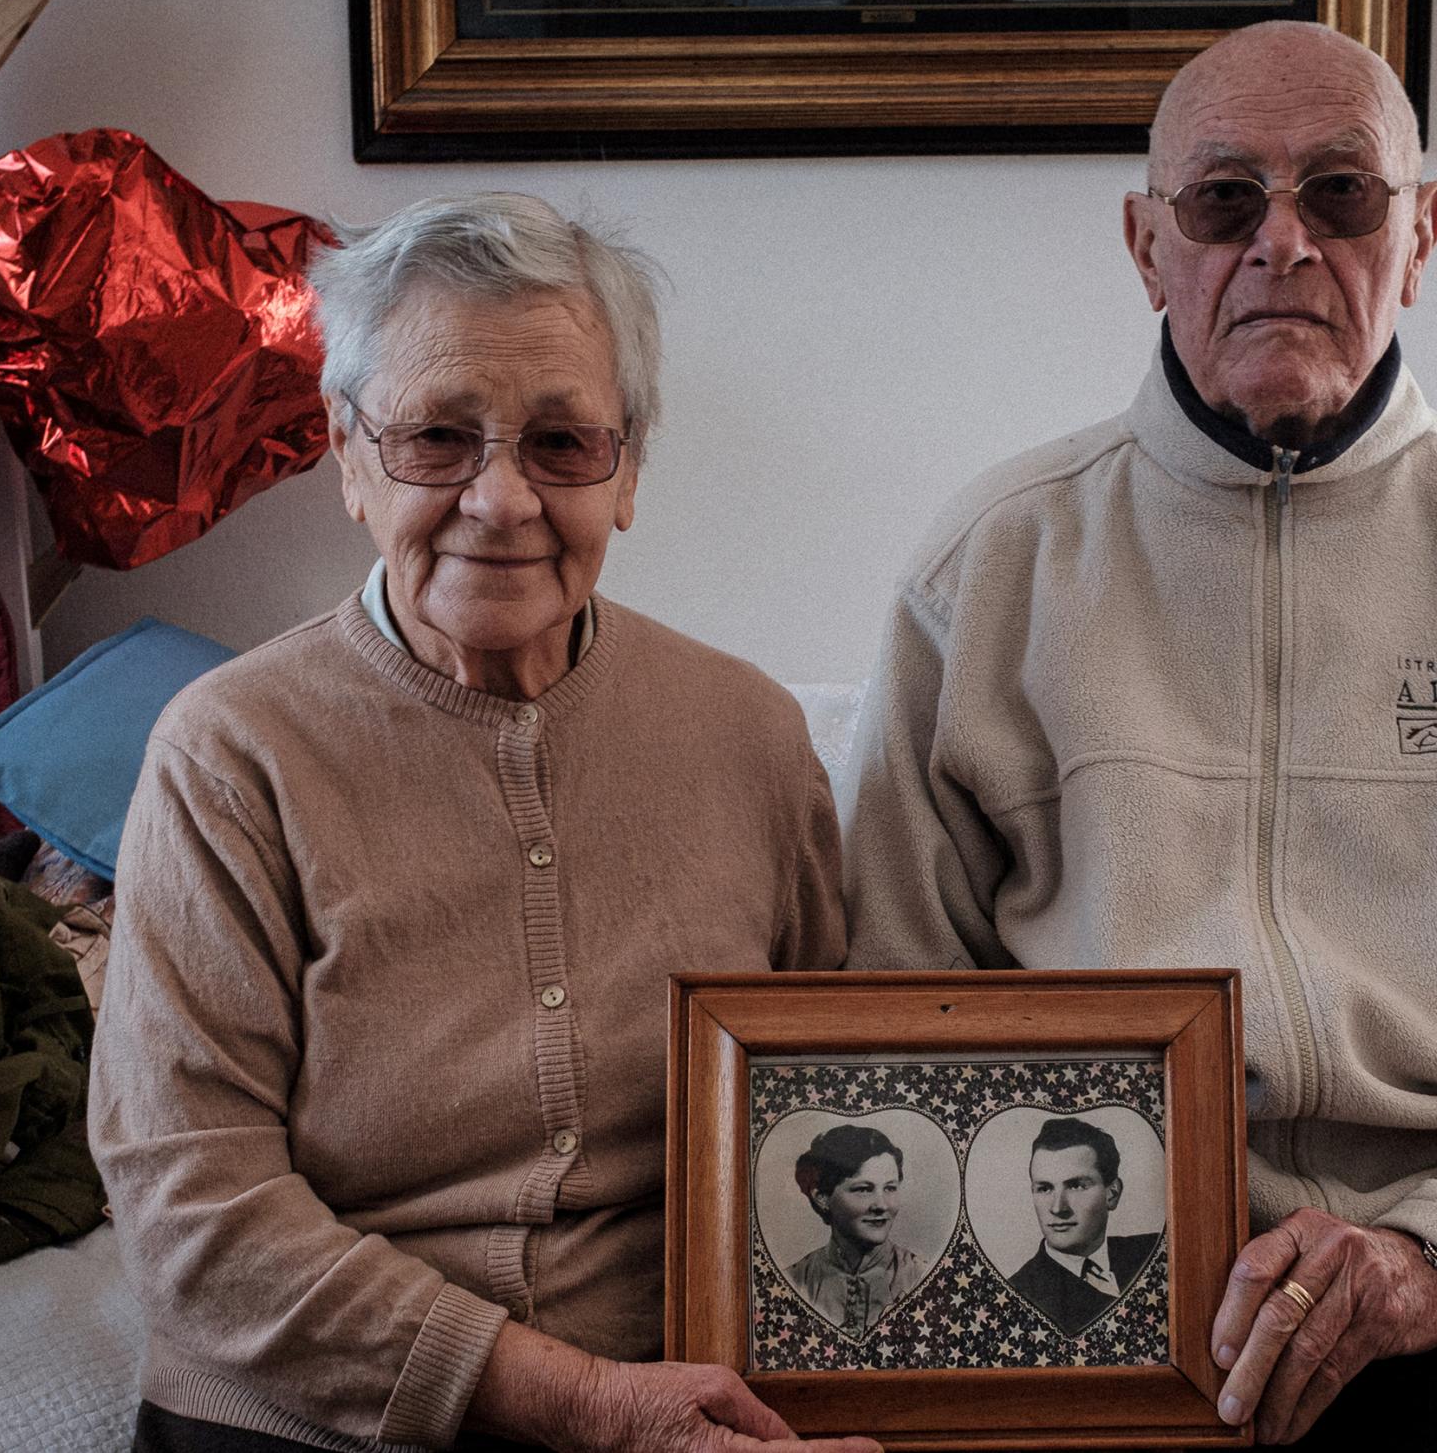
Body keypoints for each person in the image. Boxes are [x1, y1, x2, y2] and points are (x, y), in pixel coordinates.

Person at [839, 21, 1437, 1451]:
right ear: (1147, 244)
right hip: (1103, 1285)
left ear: (1419, 236)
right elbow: (891, 978)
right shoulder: (989, 569)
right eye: (1226, 199)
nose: (1282, 245)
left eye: (1341, 196)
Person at [90, 193, 874, 1453]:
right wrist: (575, 1399)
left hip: (675, 1390)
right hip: (314, 1411)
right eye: (438, 438)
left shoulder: (750, 736)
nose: (501, 499)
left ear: (626, 474)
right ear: (348, 456)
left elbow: (832, 1102)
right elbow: (195, 1209)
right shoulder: (229, 752)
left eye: (562, 443)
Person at [1003, 1117, 1160, 1335]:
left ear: (1112, 1194)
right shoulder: (1015, 1297)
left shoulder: (1156, 1252)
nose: (1058, 1208)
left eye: (1076, 1186)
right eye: (1044, 1189)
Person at [784, 1125, 932, 1333]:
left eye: (890, 1188)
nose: (881, 1205)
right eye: (863, 1189)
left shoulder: (925, 1278)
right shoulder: (793, 1281)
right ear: (822, 1198)